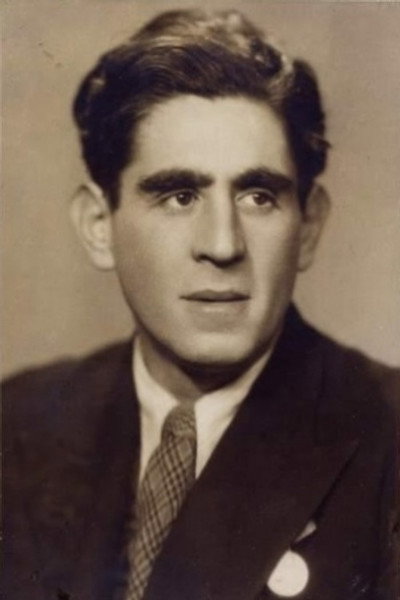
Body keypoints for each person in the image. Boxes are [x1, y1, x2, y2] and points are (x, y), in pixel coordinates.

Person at [3, 8, 399, 600]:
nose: (222, 244)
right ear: (98, 226)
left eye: (259, 196)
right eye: (180, 196)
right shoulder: (16, 426)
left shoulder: (388, 438)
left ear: (309, 227)